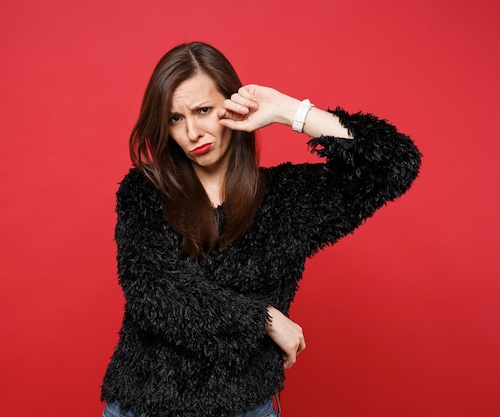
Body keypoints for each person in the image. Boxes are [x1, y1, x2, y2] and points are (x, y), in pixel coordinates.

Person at [100, 41, 421, 417]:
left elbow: (395, 163)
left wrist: (288, 111)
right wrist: (263, 318)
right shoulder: (145, 191)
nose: (191, 133)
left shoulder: (287, 200)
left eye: (203, 110)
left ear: (233, 103)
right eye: (175, 119)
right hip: (144, 407)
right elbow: (154, 291)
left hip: (245, 407)